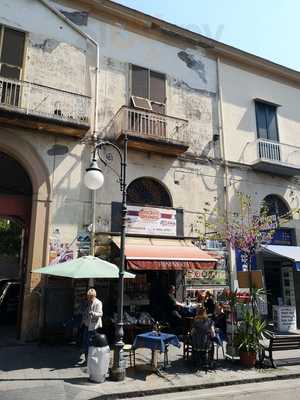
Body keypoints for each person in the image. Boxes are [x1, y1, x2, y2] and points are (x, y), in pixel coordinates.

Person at [81, 288, 103, 364]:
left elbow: (100, 314)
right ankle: (87, 359)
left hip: (93, 326)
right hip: (87, 325)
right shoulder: (88, 302)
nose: (88, 298)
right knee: (85, 342)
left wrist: (93, 313)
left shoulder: (98, 303)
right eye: (88, 296)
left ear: (93, 296)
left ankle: (90, 360)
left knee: (90, 343)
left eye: (90, 296)